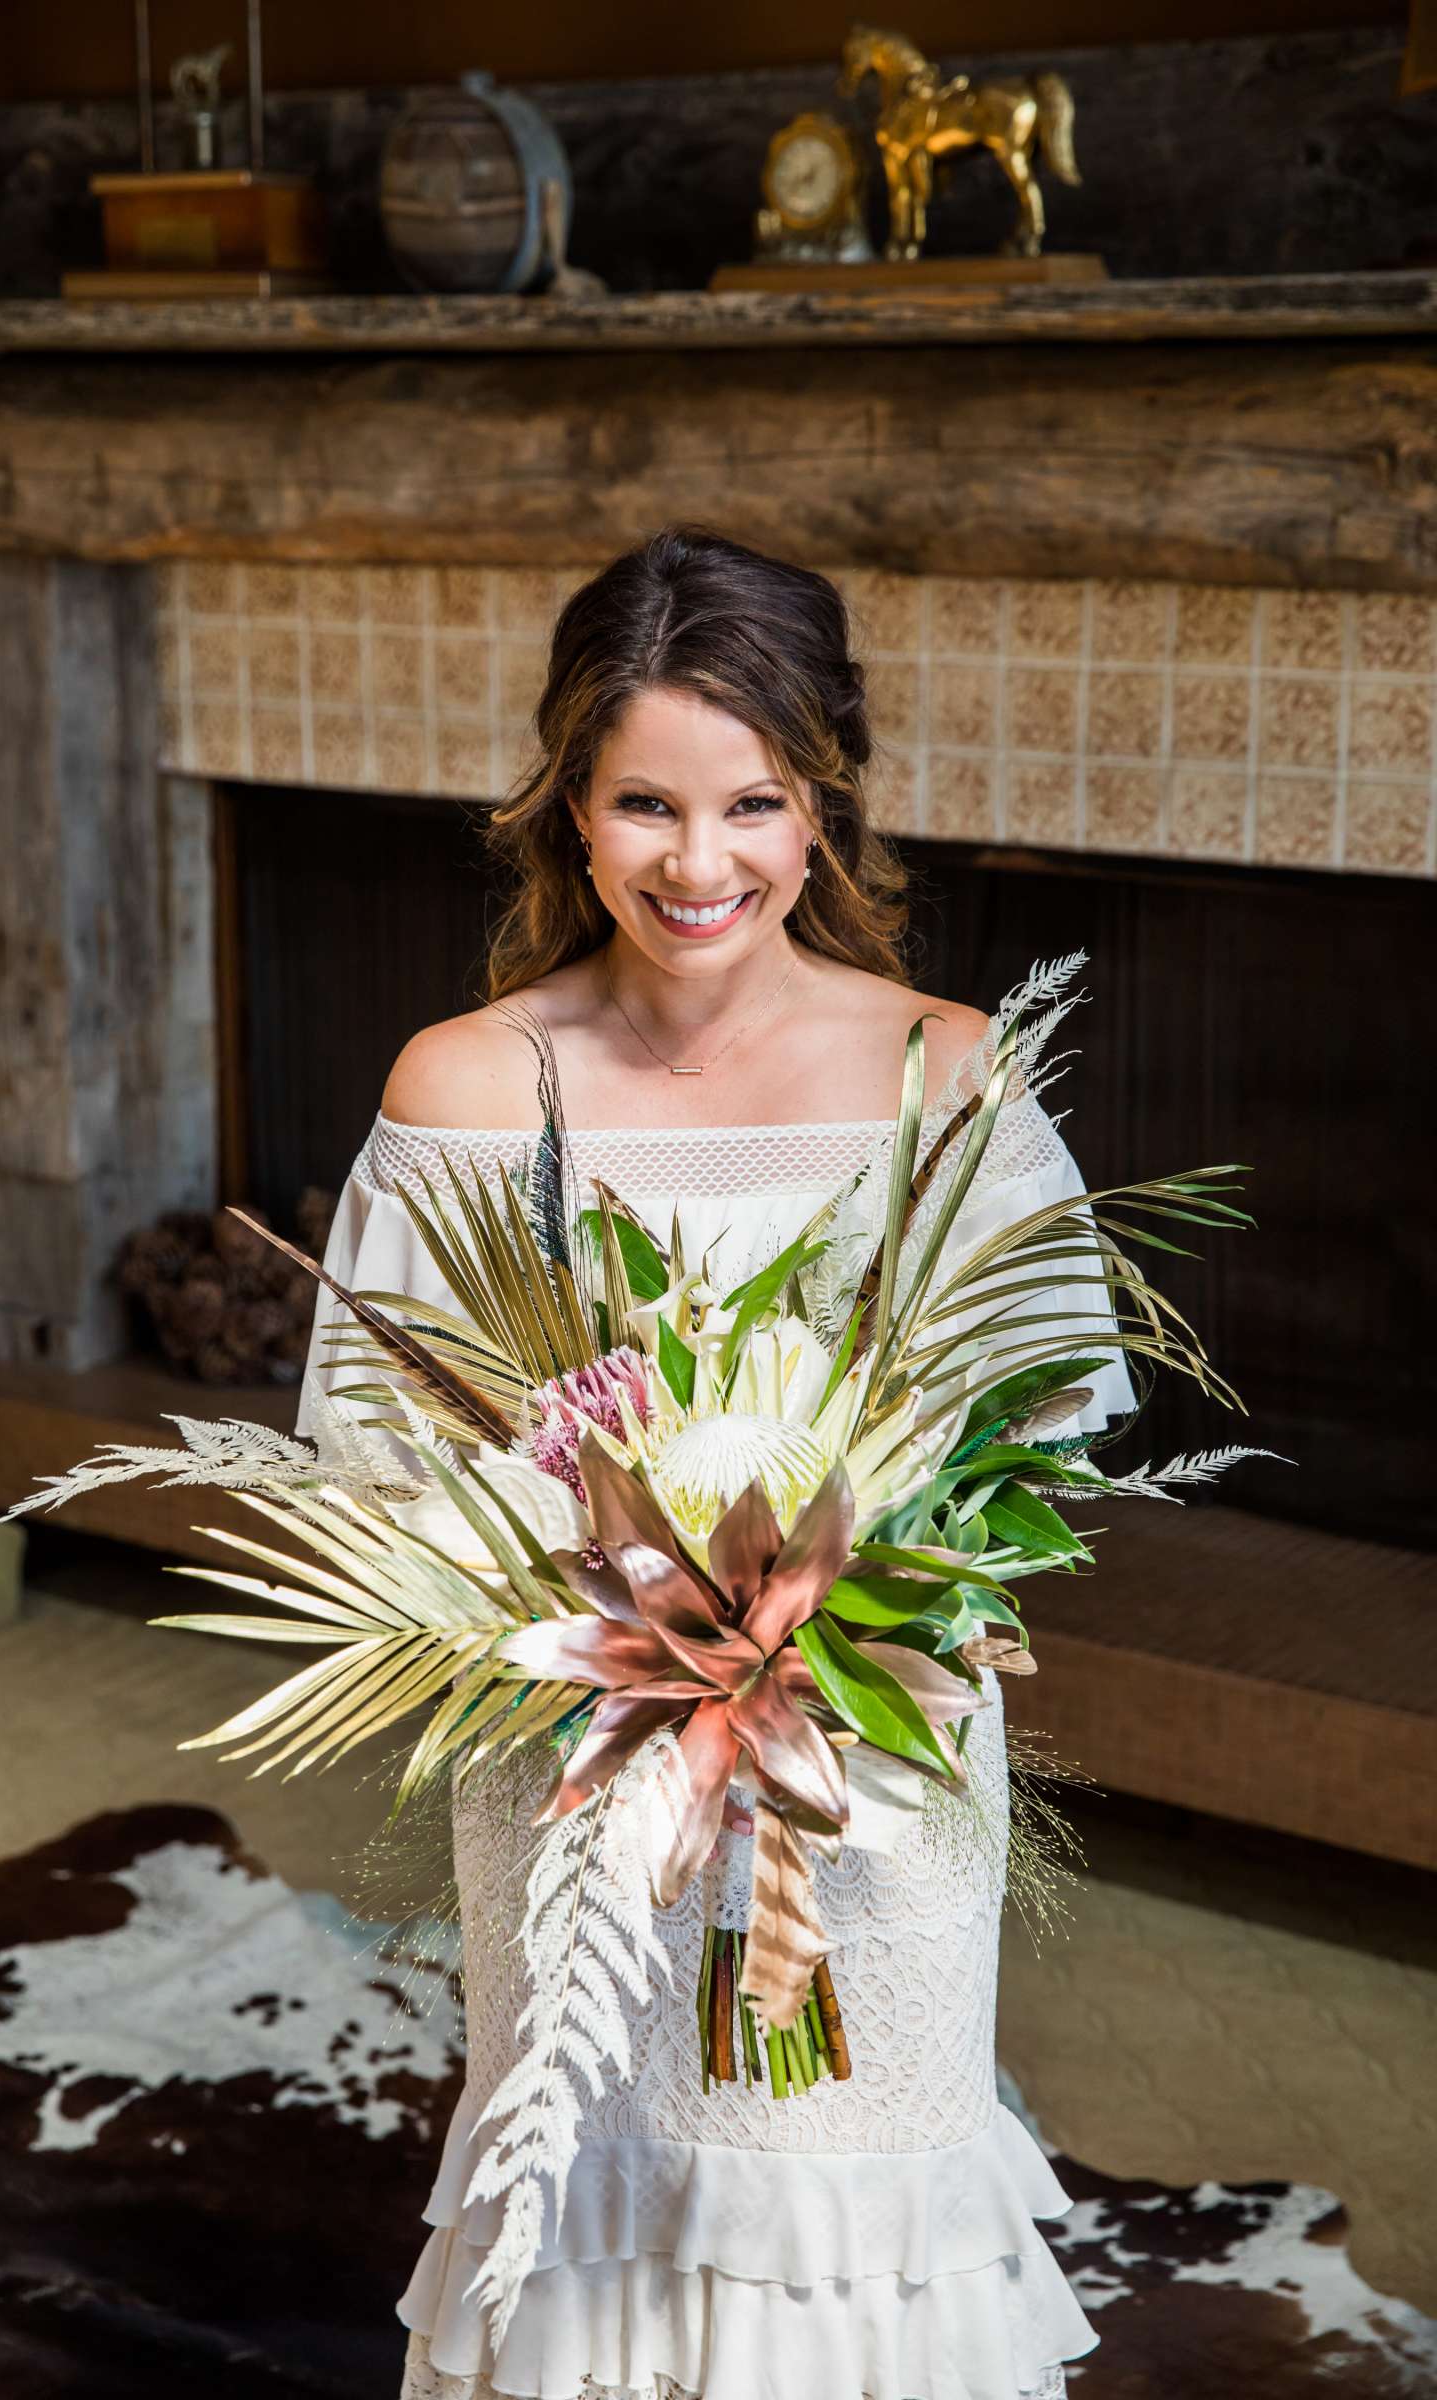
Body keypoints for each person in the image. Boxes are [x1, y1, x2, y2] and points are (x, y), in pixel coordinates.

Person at [296, 524, 1132, 2400]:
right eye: (645, 804)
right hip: (579, 1758)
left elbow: (1031, 1444)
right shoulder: (464, 1087)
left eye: (754, 803)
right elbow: (386, 1472)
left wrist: (907, 1594)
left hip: (874, 1767)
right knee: (596, 2184)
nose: (700, 863)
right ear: (569, 809)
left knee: (854, 2214)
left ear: (823, 807)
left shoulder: (950, 1072)